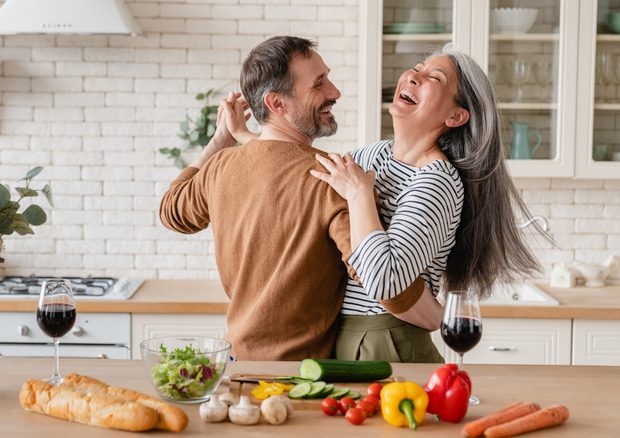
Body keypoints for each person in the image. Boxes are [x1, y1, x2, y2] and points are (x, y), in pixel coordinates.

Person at [224, 43, 548, 362]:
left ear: (455, 115)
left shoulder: (436, 181)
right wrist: (244, 136)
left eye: (435, 78)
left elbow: (386, 281)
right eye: (417, 68)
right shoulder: (372, 155)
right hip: (341, 337)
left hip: (388, 339)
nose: (413, 76)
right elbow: (303, 170)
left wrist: (360, 195)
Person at [159, 36, 432, 361]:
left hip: (234, 365)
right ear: (277, 104)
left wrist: (220, 140)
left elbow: (172, 211)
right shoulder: (333, 179)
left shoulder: (221, 166)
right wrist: (442, 317)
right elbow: (386, 286)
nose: (335, 92)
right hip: (298, 379)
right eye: (319, 85)